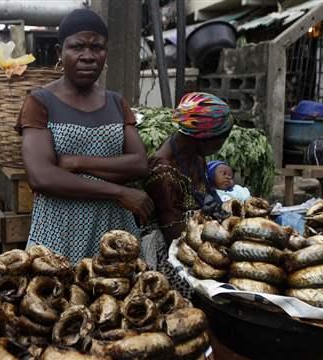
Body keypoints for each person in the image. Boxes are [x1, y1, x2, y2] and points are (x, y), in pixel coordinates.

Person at [16, 9, 153, 263]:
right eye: (77, 47)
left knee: (119, 296)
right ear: (60, 52)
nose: (88, 56)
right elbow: (42, 176)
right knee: (56, 297)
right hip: (60, 232)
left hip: (113, 231)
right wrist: (119, 192)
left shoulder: (116, 102)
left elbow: (138, 163)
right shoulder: (40, 102)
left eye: (97, 47)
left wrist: (77, 162)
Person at [143, 92, 232, 295]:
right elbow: (175, 238)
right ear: (204, 139)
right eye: (222, 139)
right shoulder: (163, 175)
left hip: (194, 242)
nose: (222, 144)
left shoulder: (195, 158)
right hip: (171, 257)